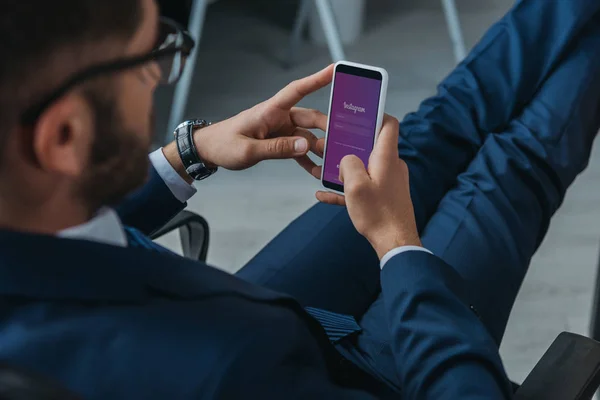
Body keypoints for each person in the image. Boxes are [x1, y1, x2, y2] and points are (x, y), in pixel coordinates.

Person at [0, 0, 599, 399]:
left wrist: (192, 150)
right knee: (513, 165)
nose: (159, 76)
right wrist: (398, 247)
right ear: (64, 136)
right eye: (148, 59)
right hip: (369, 377)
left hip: (256, 311)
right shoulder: (223, 371)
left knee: (420, 135)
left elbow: (58, 228)